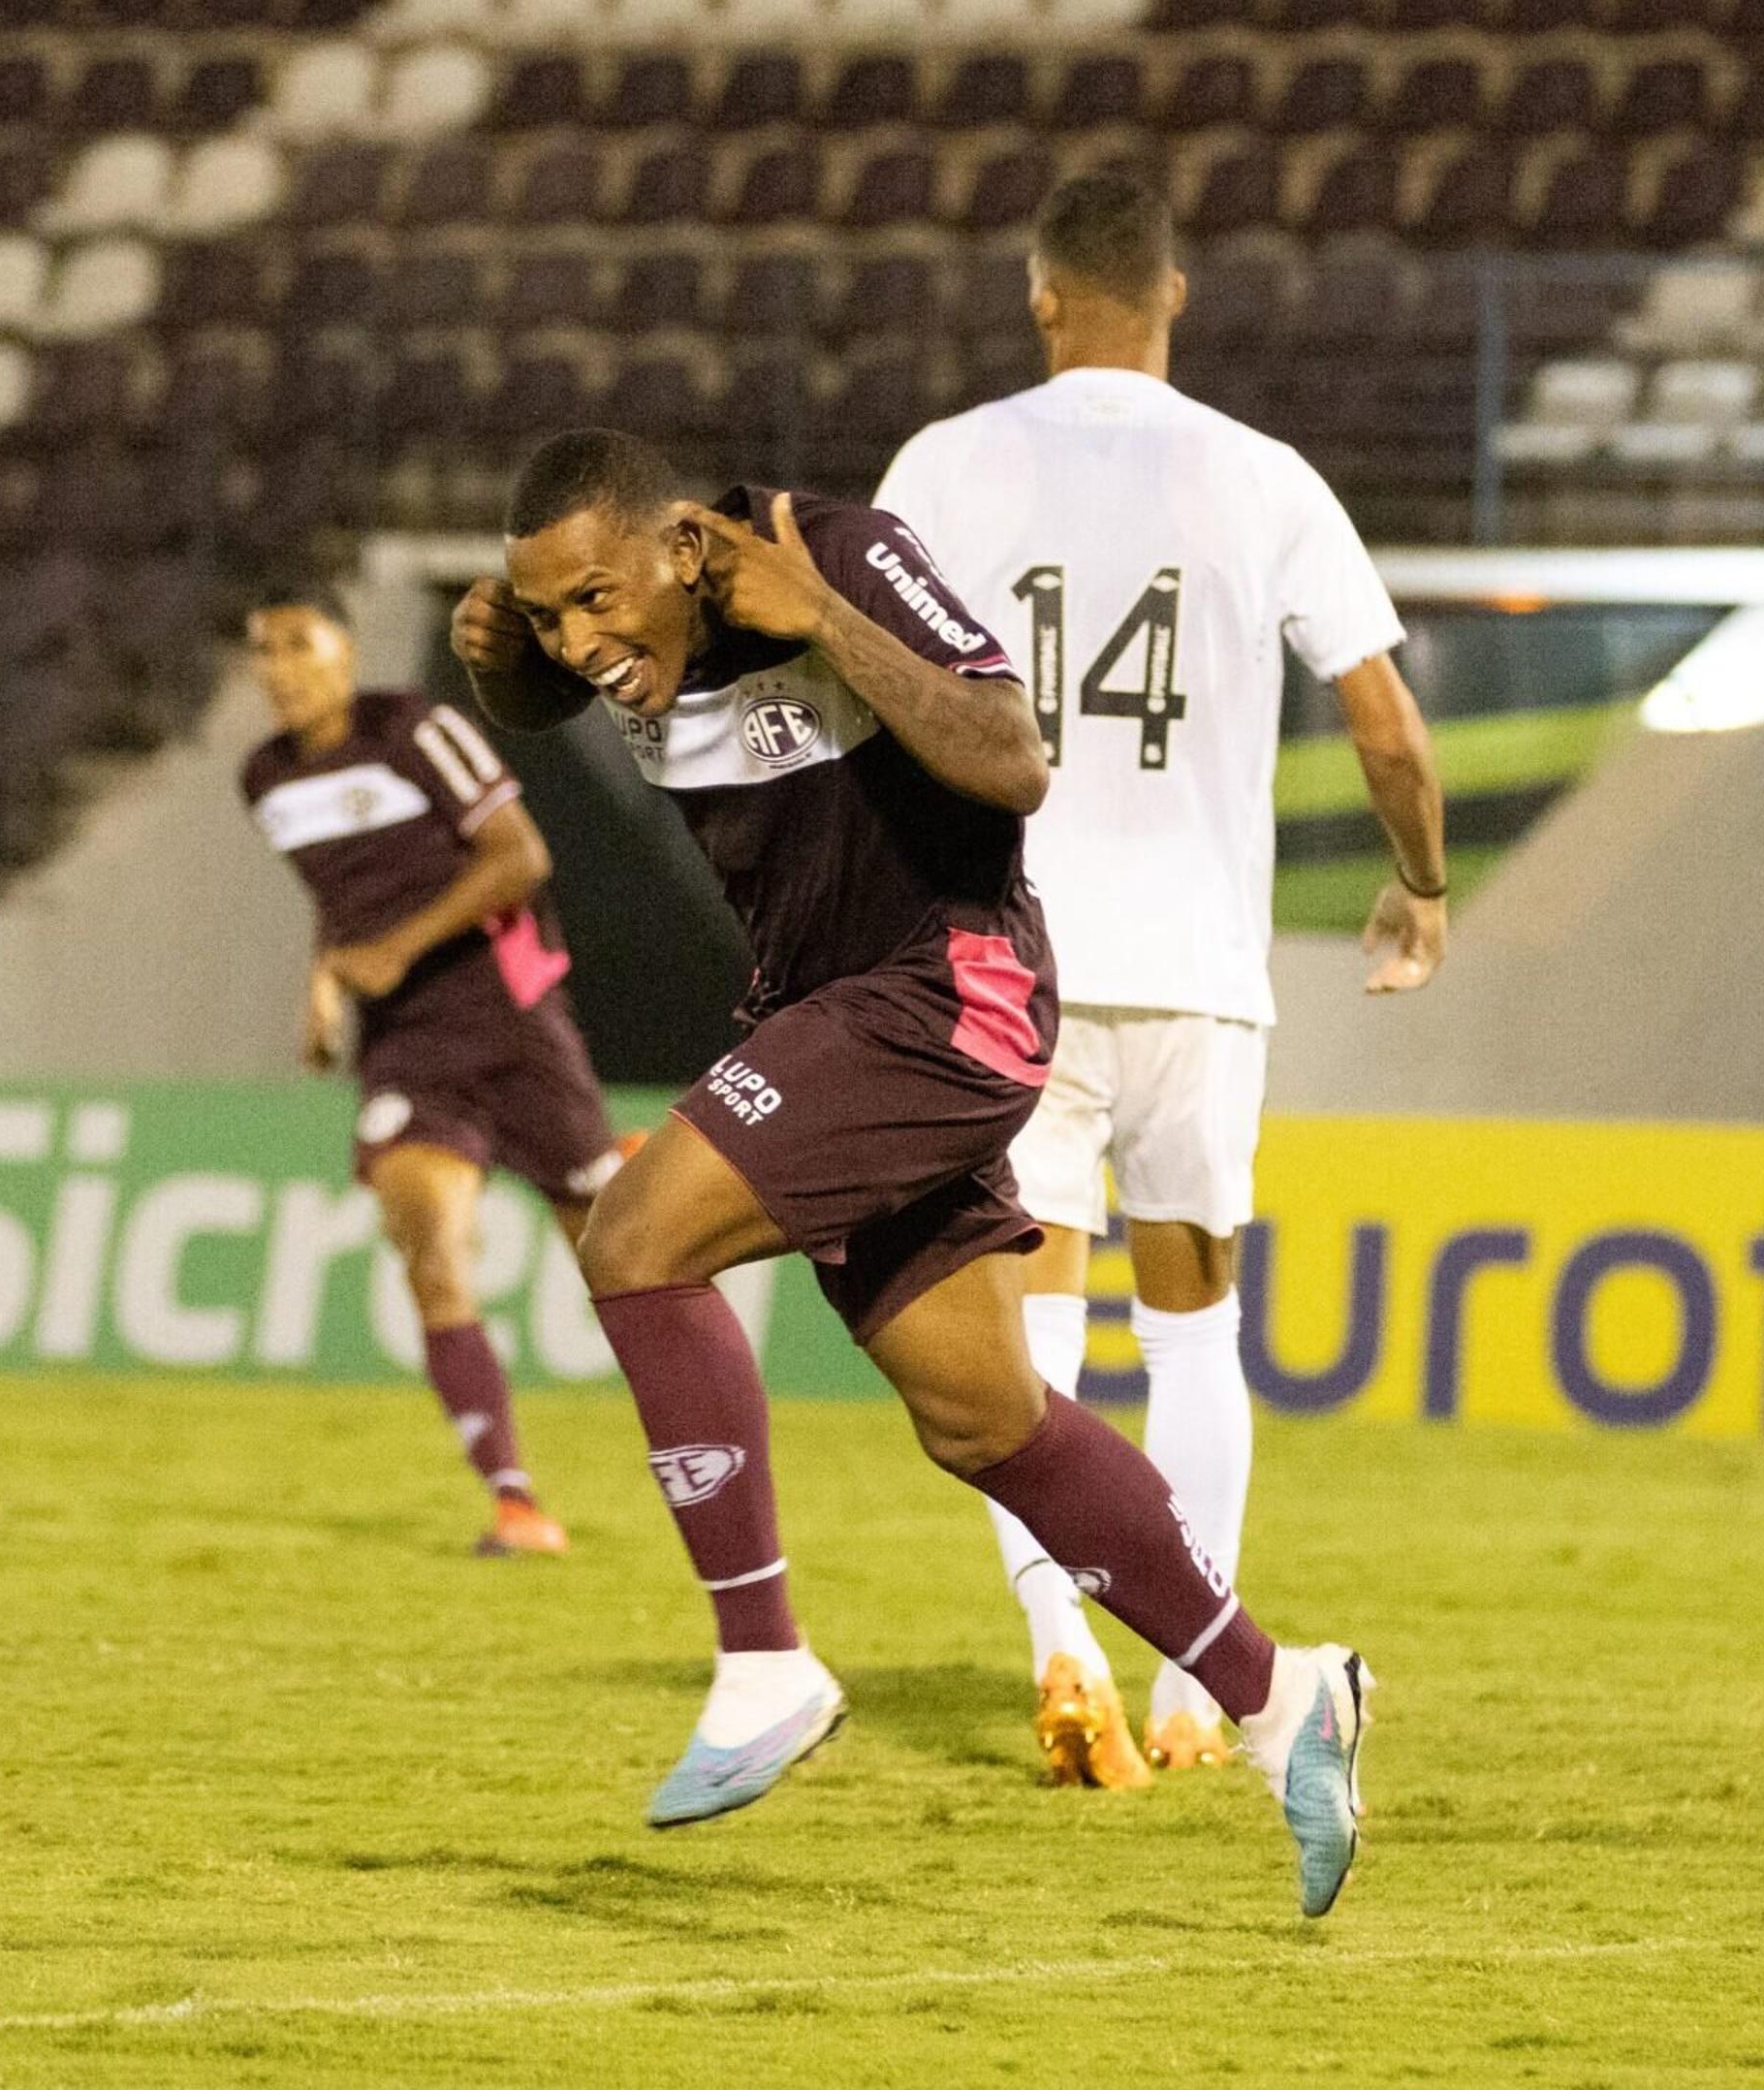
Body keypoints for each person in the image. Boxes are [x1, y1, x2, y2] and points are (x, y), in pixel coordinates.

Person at [455, 428, 1370, 1916]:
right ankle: (1286, 1703)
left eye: (593, 599)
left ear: (684, 547)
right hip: (828, 1015)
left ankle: (763, 1661)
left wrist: (822, 618)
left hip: (948, 986)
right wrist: (501, 660)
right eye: (549, 612)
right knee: (988, 1419)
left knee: (633, 1238)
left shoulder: (837, 555)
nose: (580, 640)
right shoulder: (620, 632)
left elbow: (1015, 765)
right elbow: (549, 674)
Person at [876, 170, 1446, 1789]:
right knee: (1194, 1327)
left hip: (1010, 959)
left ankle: (1065, 1655)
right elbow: (1390, 728)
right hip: (1198, 973)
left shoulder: (947, 464)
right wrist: (1419, 887)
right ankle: (1204, 1688)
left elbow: (874, 687)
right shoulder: (1264, 479)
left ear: (1043, 294)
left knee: (1028, 1330)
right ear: (1174, 295)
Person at [239, 586, 621, 1558]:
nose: (279, 668)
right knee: (429, 1246)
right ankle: (514, 1500)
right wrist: (323, 986)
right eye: (262, 651)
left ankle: (626, 1170)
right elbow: (342, 897)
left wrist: (396, 950)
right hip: (409, 1043)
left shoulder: (414, 726)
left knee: (622, 1256)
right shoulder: (266, 779)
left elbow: (519, 856)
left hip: (510, 1015)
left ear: (345, 649)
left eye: (299, 643)